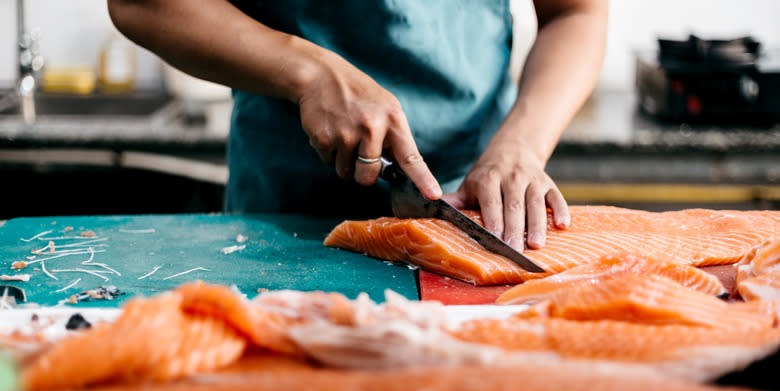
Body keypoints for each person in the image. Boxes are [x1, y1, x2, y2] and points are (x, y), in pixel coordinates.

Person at [107, 0, 607, 250]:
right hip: (284, 211)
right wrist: (307, 72)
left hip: (475, 207)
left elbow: (576, 11)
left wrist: (521, 145)